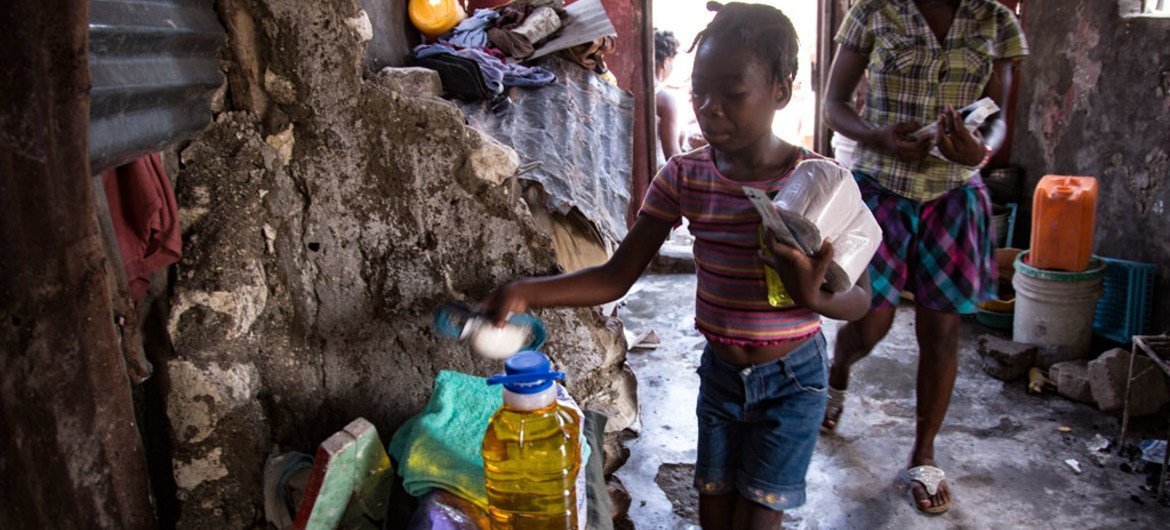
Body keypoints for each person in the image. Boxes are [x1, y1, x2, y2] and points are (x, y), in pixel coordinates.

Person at [485, 4, 871, 528]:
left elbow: (861, 297)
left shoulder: (821, 183)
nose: (710, 109)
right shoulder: (684, 176)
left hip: (793, 381)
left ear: (781, 90)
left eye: (732, 94)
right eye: (699, 92)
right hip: (721, 377)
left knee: (759, 516)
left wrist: (817, 299)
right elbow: (616, 276)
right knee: (713, 510)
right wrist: (529, 291)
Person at [821, 0, 1028, 515]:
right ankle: (838, 372)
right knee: (869, 323)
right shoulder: (874, 12)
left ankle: (924, 452)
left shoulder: (996, 20)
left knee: (941, 331)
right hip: (882, 190)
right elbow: (834, 104)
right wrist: (874, 135)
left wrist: (979, 152)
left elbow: (998, 117)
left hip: (953, 196)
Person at [654, 29, 684, 167]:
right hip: (656, 177)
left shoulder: (628, 90)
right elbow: (673, 156)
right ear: (666, 61)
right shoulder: (666, 100)